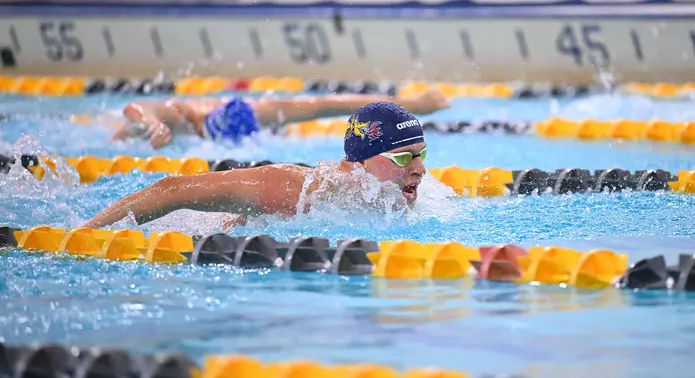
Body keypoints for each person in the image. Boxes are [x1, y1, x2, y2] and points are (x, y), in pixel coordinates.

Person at [83, 101, 430, 229]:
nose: (420, 169)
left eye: (421, 155)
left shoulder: (408, 198)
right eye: (403, 157)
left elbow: (323, 103)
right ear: (359, 162)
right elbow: (172, 190)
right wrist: (81, 235)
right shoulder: (296, 190)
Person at [112, 90, 448, 148]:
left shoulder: (258, 114)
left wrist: (411, 104)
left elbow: (326, 104)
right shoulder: (186, 113)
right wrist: (149, 123)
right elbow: (137, 107)